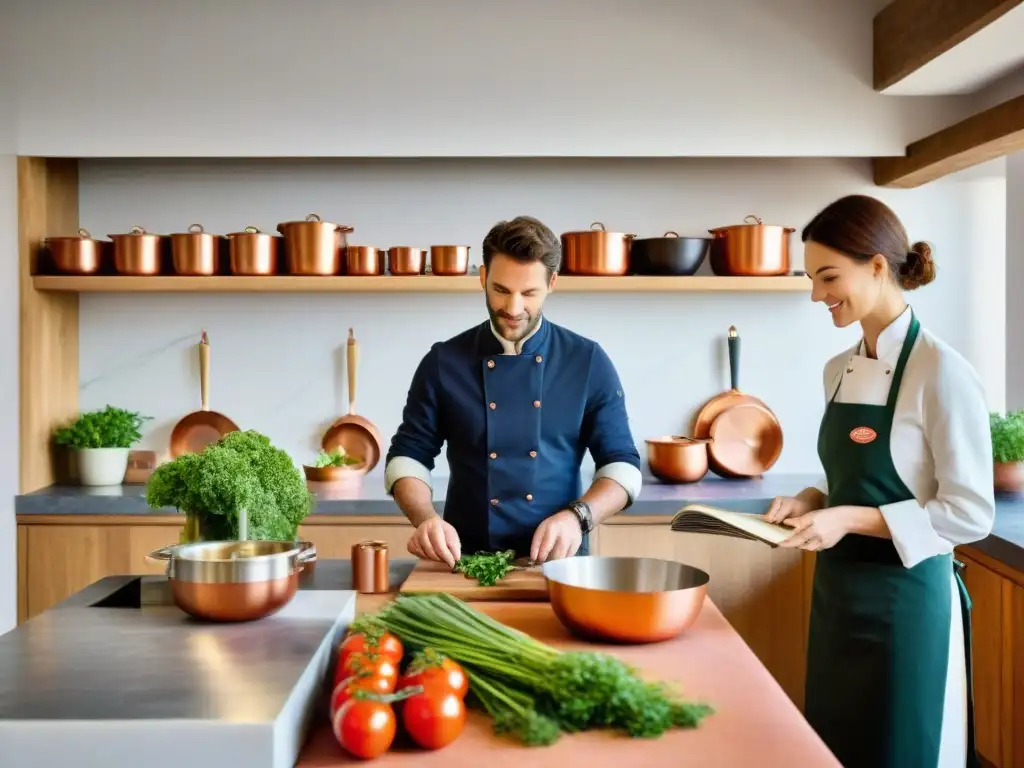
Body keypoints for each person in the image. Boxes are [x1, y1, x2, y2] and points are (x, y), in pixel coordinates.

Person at [766, 194, 994, 768]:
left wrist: (844, 518)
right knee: (834, 747)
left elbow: (970, 514)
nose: (817, 294)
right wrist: (814, 498)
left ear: (876, 265)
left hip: (907, 603)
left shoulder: (942, 372)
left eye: (828, 277)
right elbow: (852, 477)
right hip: (838, 598)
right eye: (812, 279)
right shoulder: (837, 370)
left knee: (903, 749)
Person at [384, 215, 642, 566]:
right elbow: (408, 455)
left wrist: (578, 517)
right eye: (501, 290)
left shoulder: (587, 361)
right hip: (462, 560)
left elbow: (622, 465)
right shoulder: (444, 361)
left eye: (529, 293)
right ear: (483, 278)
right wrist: (426, 520)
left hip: (560, 562)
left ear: (552, 283)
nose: (513, 308)